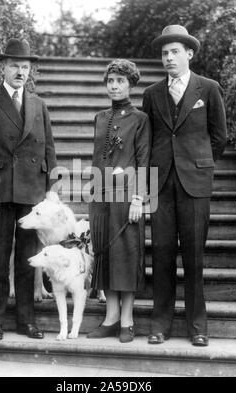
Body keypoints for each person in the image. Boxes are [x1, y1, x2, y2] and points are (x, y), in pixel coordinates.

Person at [143, 25, 227, 347]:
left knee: (194, 256)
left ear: (189, 54)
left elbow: (218, 137)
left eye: (174, 52)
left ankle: (197, 326)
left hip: (195, 182)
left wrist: (199, 163)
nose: (168, 58)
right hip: (161, 183)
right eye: (164, 53)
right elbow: (149, 139)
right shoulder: (151, 94)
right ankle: (160, 325)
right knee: (162, 254)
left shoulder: (208, 88)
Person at [0, 38, 57, 341]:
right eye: (15, 66)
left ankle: (26, 320)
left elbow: (49, 149)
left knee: (26, 259)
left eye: (25, 67)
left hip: (31, 194)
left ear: (30, 70)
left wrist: (49, 192)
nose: (20, 71)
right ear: (3, 68)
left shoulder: (38, 105)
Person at [87, 59, 151, 343]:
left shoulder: (140, 119)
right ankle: (110, 318)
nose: (114, 86)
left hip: (127, 198)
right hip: (101, 196)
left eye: (120, 81)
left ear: (131, 84)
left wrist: (138, 198)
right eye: (110, 81)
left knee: (126, 255)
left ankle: (127, 320)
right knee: (105, 255)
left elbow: (143, 160)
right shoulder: (100, 117)